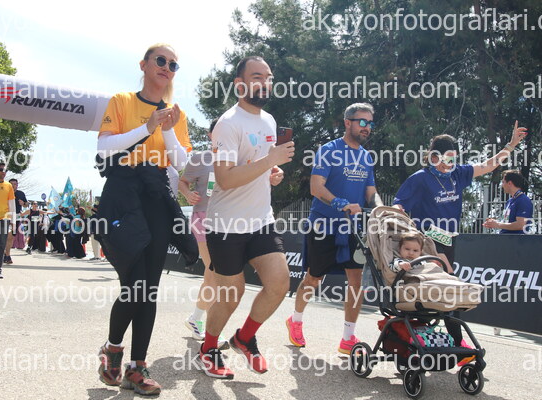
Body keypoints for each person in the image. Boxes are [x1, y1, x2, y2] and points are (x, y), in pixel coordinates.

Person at [95, 43, 192, 396]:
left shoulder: (177, 114)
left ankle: (137, 367)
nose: (167, 67)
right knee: (134, 284)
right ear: (144, 65)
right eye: (161, 60)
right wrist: (147, 126)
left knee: (148, 289)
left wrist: (166, 129)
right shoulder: (121, 101)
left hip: (156, 199)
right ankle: (112, 350)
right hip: (122, 197)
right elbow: (104, 148)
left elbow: (182, 163)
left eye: (173, 64)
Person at [393, 121, 527, 365]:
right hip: (426, 244)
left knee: (446, 292)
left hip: (449, 241)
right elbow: (398, 203)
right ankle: (440, 341)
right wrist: (399, 211)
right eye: (446, 158)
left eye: (453, 158)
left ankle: (448, 342)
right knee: (436, 290)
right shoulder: (420, 179)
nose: (450, 163)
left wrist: (511, 145)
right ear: (433, 157)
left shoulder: (458, 174)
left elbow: (488, 165)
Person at [196, 56, 294, 380]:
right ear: (240, 84)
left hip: (260, 220)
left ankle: (244, 338)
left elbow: (258, 164)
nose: (265, 83)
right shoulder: (227, 124)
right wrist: (269, 160)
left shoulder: (269, 121)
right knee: (231, 294)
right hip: (225, 224)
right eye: (257, 77)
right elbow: (225, 179)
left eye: (268, 77)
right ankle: (208, 348)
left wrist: (273, 171)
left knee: (279, 283)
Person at [285, 103, 383, 354]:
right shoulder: (329, 150)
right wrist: (340, 203)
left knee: (356, 282)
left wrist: (381, 208)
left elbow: (371, 192)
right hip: (323, 226)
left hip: (353, 230)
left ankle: (348, 337)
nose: (367, 127)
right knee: (313, 278)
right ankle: (295, 320)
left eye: (370, 123)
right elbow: (316, 187)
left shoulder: (366, 157)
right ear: (348, 122)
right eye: (363, 122)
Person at [179, 118, 226, 348]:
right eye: (219, 131)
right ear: (210, 135)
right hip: (203, 218)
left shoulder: (236, 159)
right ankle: (208, 328)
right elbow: (183, 182)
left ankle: (196, 319)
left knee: (214, 274)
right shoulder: (200, 158)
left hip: (228, 220)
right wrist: (188, 194)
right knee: (216, 272)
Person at [483, 169, 533, 234]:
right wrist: (494, 223)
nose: (502, 185)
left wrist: (498, 224)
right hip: (506, 238)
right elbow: (508, 222)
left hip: (516, 240)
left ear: (509, 183)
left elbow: (520, 225)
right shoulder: (510, 201)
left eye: (503, 182)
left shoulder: (523, 200)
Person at [4, 178, 27, 264]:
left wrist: (23, 204)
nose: (13, 186)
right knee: (5, 236)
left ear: (17, 185)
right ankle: (6, 255)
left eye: (15, 184)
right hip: (5, 216)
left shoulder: (21, 193)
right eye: (11, 184)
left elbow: (26, 204)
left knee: (11, 237)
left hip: (16, 217)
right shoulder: (4, 192)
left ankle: (6, 254)